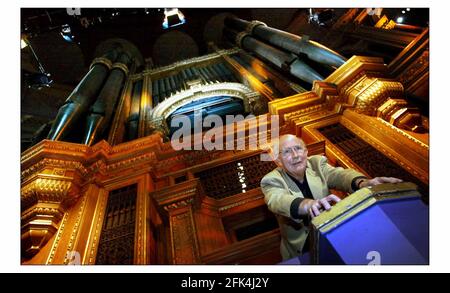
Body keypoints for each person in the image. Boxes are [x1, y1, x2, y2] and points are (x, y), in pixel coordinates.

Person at [260, 134, 402, 260]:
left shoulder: (316, 163)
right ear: (278, 161)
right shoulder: (271, 179)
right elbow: (277, 200)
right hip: (303, 248)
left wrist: (363, 183)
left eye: (298, 148)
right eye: (286, 152)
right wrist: (309, 205)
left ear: (306, 152)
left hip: (333, 232)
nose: (295, 155)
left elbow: (339, 175)